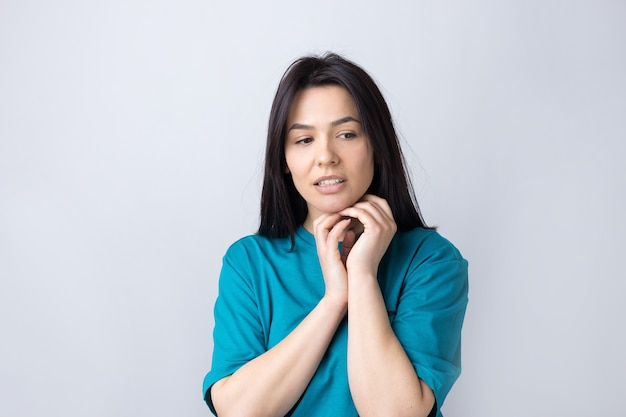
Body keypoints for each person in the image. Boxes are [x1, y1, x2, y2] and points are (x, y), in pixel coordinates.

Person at [202, 53, 468, 417]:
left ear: (377, 144)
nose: (326, 156)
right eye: (304, 140)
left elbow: (395, 413)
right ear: (283, 159)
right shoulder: (249, 262)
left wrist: (361, 276)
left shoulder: (430, 260)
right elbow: (240, 412)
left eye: (346, 134)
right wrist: (334, 300)